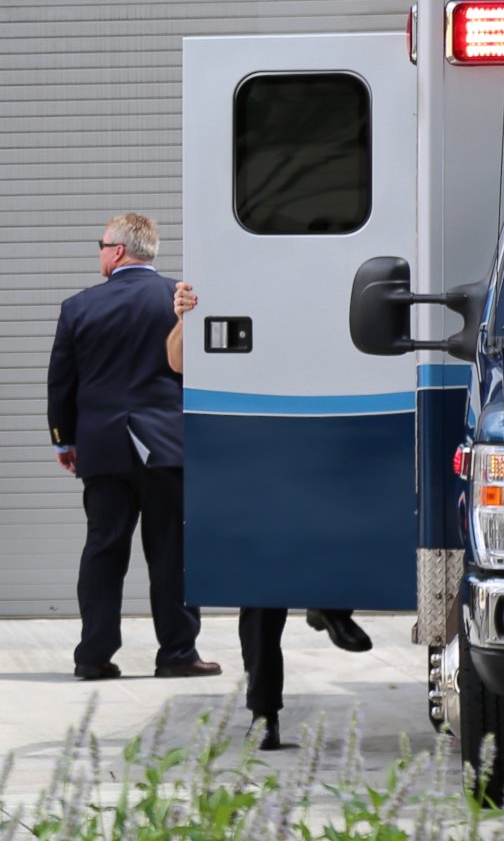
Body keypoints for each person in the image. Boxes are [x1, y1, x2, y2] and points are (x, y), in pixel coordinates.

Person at [167, 283, 370, 749]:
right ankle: (264, 715)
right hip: (253, 452)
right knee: (260, 599)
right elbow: (177, 362)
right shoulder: (223, 290)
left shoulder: (319, 302)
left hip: (312, 442)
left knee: (337, 526)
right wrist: (184, 318)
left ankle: (329, 605)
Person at [48, 212, 217, 683]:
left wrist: (65, 440)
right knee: (170, 552)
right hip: (164, 448)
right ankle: (178, 653)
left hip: (101, 450)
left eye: (101, 245)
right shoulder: (179, 300)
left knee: (103, 549)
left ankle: (94, 655)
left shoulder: (77, 307)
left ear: (118, 250)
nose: (99, 254)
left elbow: (61, 382)